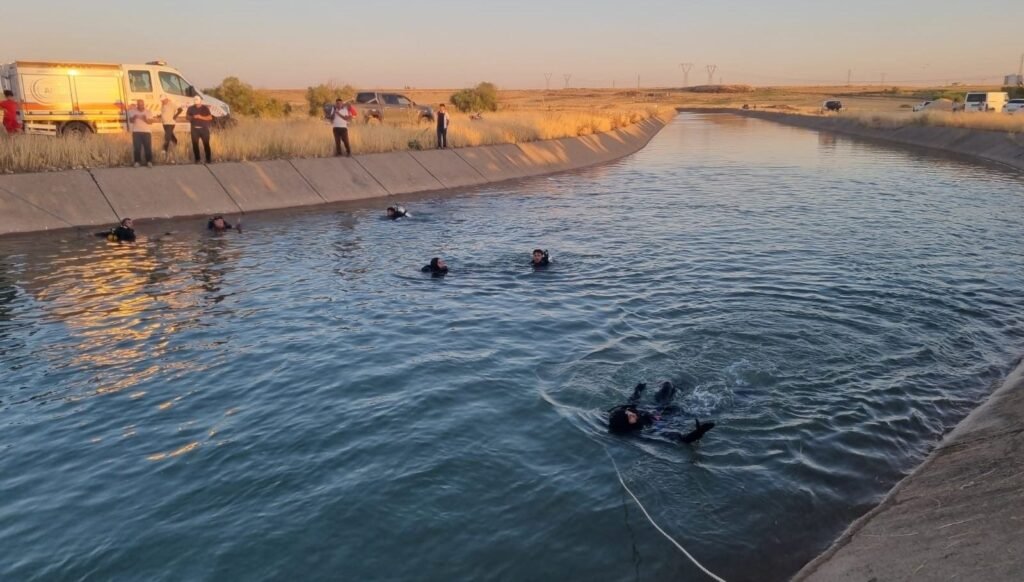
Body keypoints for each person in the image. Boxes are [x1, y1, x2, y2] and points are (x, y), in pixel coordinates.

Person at [607, 381, 715, 444]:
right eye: (630, 415)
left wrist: (638, 390)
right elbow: (682, 439)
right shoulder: (648, 431)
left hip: (656, 407)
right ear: (629, 422)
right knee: (681, 409)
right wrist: (699, 432)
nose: (631, 412)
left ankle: (684, 384)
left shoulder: (625, 415)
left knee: (668, 385)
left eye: (628, 412)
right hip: (667, 418)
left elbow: (632, 402)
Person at [128, 100, 157, 167]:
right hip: (136, 132)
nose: (141, 106)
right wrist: (134, 117)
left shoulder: (148, 112)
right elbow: (131, 121)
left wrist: (145, 119)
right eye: (139, 105)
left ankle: (149, 161)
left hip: (146, 132)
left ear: (143, 104)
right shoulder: (132, 111)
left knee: (148, 147)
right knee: (137, 147)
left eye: (142, 105)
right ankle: (137, 162)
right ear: (137, 105)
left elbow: (151, 122)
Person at [186, 96, 214, 164]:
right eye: (196, 103)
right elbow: (187, 117)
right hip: (194, 129)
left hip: (204, 129)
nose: (197, 105)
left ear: (200, 101)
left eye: (198, 103)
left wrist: (200, 117)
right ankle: (197, 159)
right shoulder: (190, 108)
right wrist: (192, 117)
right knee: (195, 145)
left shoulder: (205, 108)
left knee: (206, 144)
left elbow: (210, 117)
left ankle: (208, 159)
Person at [159, 95, 181, 163]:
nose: (162, 102)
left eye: (163, 100)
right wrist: (160, 116)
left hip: (170, 123)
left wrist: (175, 116)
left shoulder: (172, 104)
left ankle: (164, 150)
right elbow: (164, 113)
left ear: (166, 99)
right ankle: (175, 142)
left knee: (167, 136)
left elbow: (180, 110)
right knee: (170, 135)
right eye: (161, 101)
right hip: (164, 123)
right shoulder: (162, 105)